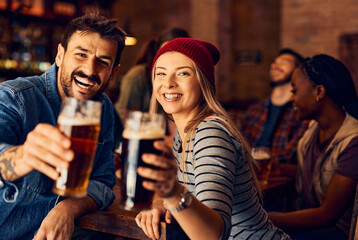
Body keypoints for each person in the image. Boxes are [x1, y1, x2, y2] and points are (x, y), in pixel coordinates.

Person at [134, 38, 291, 240]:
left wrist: (172, 193)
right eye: (161, 73)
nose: (169, 83)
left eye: (183, 73)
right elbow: (168, 189)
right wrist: (159, 203)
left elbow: (212, 235)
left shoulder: (210, 133)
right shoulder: (184, 135)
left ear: (203, 82)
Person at [0, 13, 126, 239]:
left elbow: (104, 181)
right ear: (60, 55)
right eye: (81, 55)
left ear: (113, 73)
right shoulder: (14, 97)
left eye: (103, 62)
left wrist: (68, 208)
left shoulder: (103, 107)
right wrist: (23, 156)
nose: (89, 70)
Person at [268, 54, 358, 240]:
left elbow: (327, 215)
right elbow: (318, 171)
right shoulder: (313, 129)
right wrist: (277, 167)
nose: (292, 98)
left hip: (336, 233)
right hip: (313, 225)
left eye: (295, 91)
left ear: (319, 92)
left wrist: (262, 218)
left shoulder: (354, 142)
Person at [242, 49, 309, 165]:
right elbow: (240, 146)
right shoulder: (254, 110)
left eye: (284, 61)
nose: (275, 65)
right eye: (274, 62)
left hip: (279, 179)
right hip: (248, 178)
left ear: (298, 71)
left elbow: (293, 155)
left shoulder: (302, 112)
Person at [114, 27, 190, 123]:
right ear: (157, 51)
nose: (172, 59)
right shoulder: (137, 75)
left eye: (180, 54)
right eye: (167, 52)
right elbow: (128, 119)